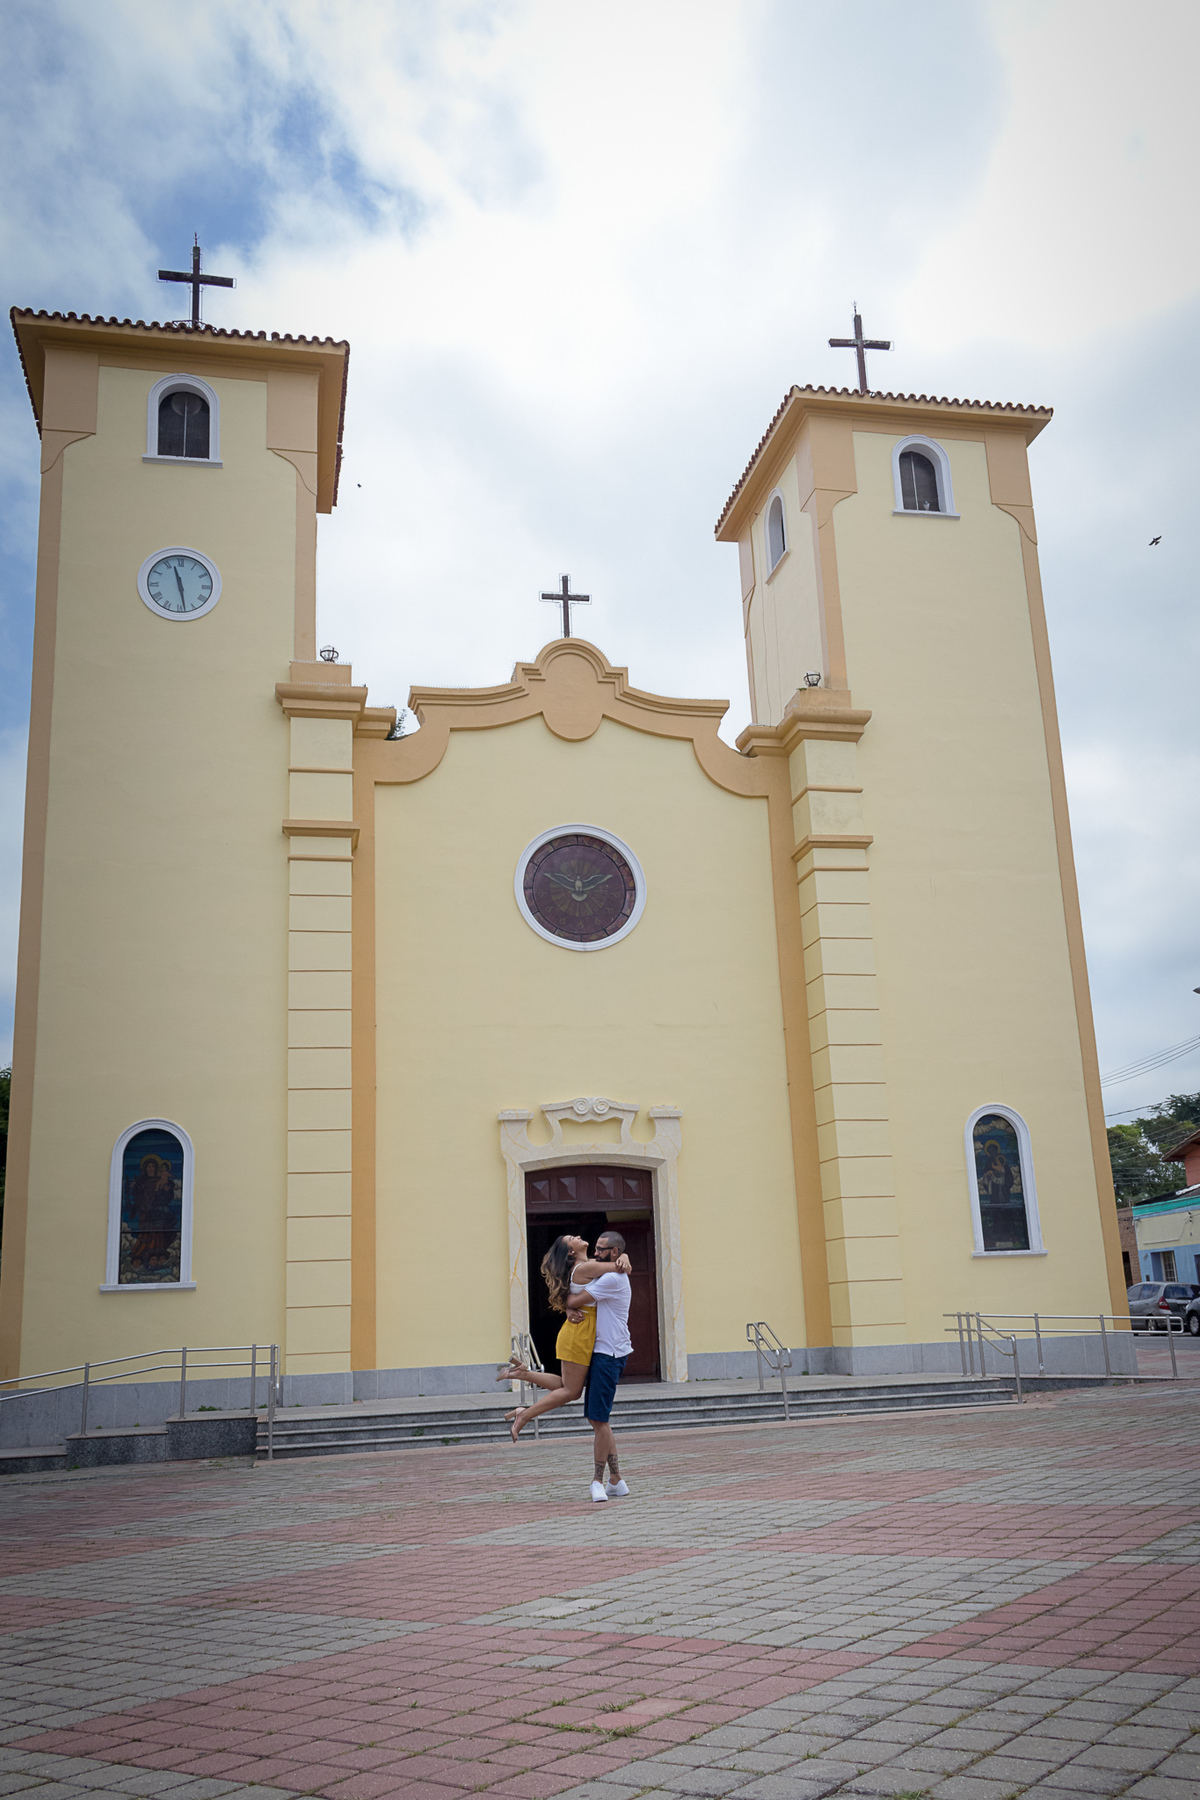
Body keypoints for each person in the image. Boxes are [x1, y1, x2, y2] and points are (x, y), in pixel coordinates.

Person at [500, 1234, 631, 1443]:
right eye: (572, 1238)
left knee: (568, 1386)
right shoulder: (585, 1268)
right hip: (578, 1334)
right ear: (571, 1252)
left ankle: (524, 1374)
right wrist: (624, 1257)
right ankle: (524, 1414)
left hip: (581, 1332)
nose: (578, 1236)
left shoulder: (586, 1266)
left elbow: (576, 1294)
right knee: (571, 1391)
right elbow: (619, 1268)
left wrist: (623, 1255)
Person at [581, 1229, 632, 1504]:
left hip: (608, 1354)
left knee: (599, 1421)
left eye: (601, 1249)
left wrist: (565, 1304)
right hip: (607, 1353)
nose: (595, 1253)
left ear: (613, 1252)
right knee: (599, 1420)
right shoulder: (610, 1271)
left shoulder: (612, 1277)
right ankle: (616, 1480)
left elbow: (576, 1300)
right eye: (595, 1248)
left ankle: (598, 1482)